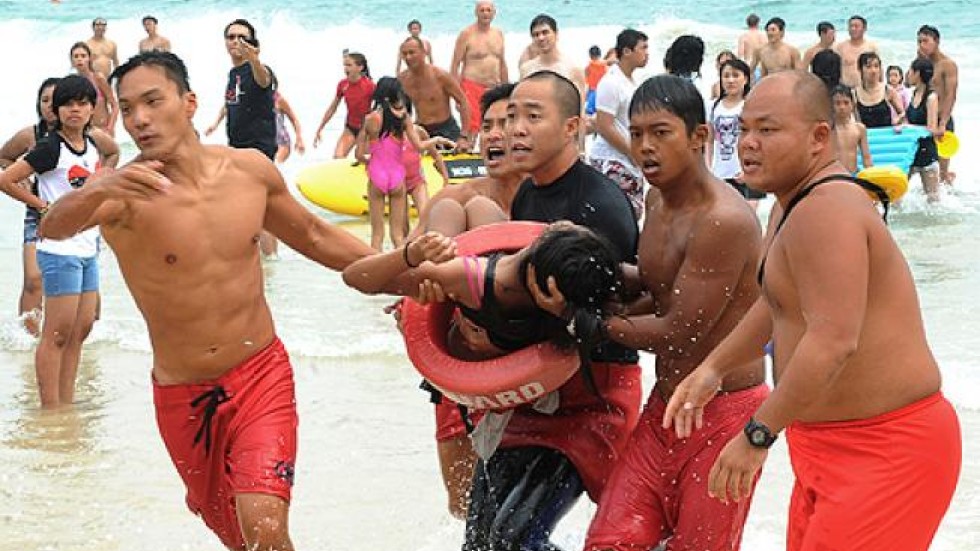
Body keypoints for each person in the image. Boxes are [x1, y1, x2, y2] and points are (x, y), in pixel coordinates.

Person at [39, 50, 393, 551]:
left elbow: (316, 237)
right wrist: (102, 187)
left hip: (260, 375)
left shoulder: (249, 172)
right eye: (127, 108)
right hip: (184, 398)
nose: (139, 118)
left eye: (152, 101)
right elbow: (54, 227)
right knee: (237, 535)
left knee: (265, 525)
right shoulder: (120, 194)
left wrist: (401, 273)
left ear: (189, 103)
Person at [664, 71, 960, 551]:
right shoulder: (790, 203)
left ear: (819, 137)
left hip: (887, 448)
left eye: (768, 130)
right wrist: (713, 368)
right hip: (822, 445)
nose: (749, 144)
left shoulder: (829, 208)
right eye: (744, 130)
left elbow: (833, 340)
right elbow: (777, 301)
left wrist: (757, 434)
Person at [581, 73, 768, 551]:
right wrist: (587, 275)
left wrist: (592, 326)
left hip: (724, 413)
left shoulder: (722, 220)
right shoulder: (655, 198)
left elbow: (678, 330)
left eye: (660, 133)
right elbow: (656, 287)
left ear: (699, 136)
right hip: (665, 405)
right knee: (608, 541)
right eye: (637, 133)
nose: (644, 147)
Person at [463, 70, 642, 551]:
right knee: (479, 540)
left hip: (592, 395)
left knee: (511, 541)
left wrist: (553, 320)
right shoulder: (527, 194)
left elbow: (618, 320)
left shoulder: (600, 206)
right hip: (531, 391)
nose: (514, 128)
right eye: (511, 115)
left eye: (532, 116)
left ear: (571, 128)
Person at [406, 83, 521, 519]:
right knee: (463, 505)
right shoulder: (454, 198)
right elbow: (409, 264)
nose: (494, 134)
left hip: (528, 368)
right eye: (486, 125)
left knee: (515, 507)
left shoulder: (547, 201)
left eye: (507, 124)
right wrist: (410, 295)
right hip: (458, 369)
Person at [344, 222, 624, 367]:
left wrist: (411, 254)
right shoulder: (569, 299)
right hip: (489, 353)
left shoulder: (470, 277)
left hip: (480, 329)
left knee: (463, 206)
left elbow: (356, 277)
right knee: (474, 207)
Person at [0, 75, 119, 409]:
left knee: (81, 329)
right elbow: (6, 179)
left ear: (93, 108)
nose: (75, 110)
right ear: (57, 110)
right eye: (68, 104)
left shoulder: (94, 144)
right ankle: (51, 408)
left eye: (82, 103)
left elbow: (114, 153)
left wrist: (102, 185)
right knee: (57, 333)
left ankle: (67, 401)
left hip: (87, 246)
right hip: (59, 248)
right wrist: (42, 206)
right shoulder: (51, 146)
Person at [357, 77, 454, 251]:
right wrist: (437, 139)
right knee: (398, 235)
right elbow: (420, 146)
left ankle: (376, 273)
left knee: (377, 235)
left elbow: (358, 154)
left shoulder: (370, 119)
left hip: (377, 176)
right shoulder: (403, 118)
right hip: (397, 177)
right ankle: (403, 272)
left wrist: (370, 161)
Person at [0, 77, 61, 337]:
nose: (49, 106)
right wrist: (17, 176)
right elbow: (3, 156)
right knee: (34, 280)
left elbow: (111, 150)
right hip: (37, 212)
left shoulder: (85, 136)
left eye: (54, 100)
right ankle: (28, 339)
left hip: (76, 214)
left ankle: (84, 333)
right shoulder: (31, 135)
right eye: (44, 100)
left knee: (79, 280)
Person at [221, 20, 279, 258]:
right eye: (231, 37)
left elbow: (264, 81)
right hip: (237, 147)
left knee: (261, 208)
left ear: (253, 43)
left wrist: (254, 59)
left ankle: (271, 261)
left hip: (258, 148)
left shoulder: (257, 69)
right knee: (246, 207)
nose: (236, 42)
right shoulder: (233, 73)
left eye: (241, 37)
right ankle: (260, 258)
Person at [588, 28, 649, 219]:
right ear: (627, 51)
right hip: (612, 159)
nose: (647, 53)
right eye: (643, 48)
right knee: (618, 216)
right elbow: (604, 125)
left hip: (628, 160)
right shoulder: (611, 82)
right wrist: (633, 152)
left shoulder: (630, 81)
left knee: (633, 214)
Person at [399, 37, 473, 151]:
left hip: (446, 129)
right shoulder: (402, 79)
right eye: (404, 54)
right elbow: (398, 109)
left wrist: (464, 136)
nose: (408, 57)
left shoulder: (440, 76)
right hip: (421, 130)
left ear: (423, 53)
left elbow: (463, 102)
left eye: (412, 53)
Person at [709, 59, 766, 207]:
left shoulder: (751, 106)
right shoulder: (713, 107)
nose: (730, 80)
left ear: (745, 79)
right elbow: (709, 141)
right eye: (726, 76)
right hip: (720, 173)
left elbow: (761, 140)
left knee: (750, 218)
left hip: (748, 171)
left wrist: (751, 168)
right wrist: (708, 168)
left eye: (735, 75)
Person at [450, 0, 508, 137]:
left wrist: (506, 90)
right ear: (476, 12)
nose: (485, 13)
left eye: (488, 10)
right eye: (482, 10)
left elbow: (502, 63)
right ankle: (468, 152)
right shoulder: (466, 34)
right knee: (472, 128)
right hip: (471, 86)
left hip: (494, 87)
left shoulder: (498, 34)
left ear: (494, 13)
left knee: (495, 126)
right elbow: (455, 65)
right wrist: (457, 96)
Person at [313, 52, 375, 159]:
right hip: (350, 128)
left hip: (366, 131)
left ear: (360, 67)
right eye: (344, 65)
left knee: (364, 159)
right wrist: (320, 128)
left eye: (349, 65)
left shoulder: (370, 86)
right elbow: (332, 108)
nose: (346, 68)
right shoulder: (343, 85)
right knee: (337, 157)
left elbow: (380, 108)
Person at [917, 25, 958, 186]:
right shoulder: (922, 64)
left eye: (925, 41)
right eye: (919, 41)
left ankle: (948, 203)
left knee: (942, 170)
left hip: (942, 120)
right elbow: (907, 82)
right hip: (925, 121)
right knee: (925, 167)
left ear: (937, 41)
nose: (921, 45)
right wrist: (918, 60)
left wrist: (942, 123)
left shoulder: (947, 64)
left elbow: (951, 95)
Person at [518, 14, 586, 96]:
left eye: (545, 32)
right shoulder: (526, 69)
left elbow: (580, 106)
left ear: (556, 34)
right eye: (536, 35)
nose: (541, 38)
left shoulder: (573, 69)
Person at [905, 58, 942, 202]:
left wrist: (908, 128)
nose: (908, 74)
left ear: (918, 74)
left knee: (933, 201)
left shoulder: (931, 97)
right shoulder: (913, 94)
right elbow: (911, 118)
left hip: (926, 152)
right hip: (910, 151)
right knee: (897, 198)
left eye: (911, 71)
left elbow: (931, 128)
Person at [70, 42, 118, 137]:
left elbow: (115, 106)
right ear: (72, 60)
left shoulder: (98, 78)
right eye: (76, 56)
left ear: (89, 58)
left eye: (83, 56)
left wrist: (110, 128)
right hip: (84, 133)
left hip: (103, 129)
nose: (80, 59)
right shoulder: (72, 83)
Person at [855, 52, 905, 128]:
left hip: (885, 135)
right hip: (865, 136)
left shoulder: (888, 90)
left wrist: (897, 120)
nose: (873, 71)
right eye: (868, 67)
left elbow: (902, 113)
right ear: (860, 69)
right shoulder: (854, 94)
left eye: (876, 66)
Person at [830, 85, 871, 174]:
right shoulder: (829, 130)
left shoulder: (860, 129)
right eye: (837, 103)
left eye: (846, 102)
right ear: (831, 106)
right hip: (835, 176)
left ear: (852, 105)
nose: (842, 107)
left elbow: (866, 158)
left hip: (854, 174)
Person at [834, 15, 877, 88]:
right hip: (846, 89)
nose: (853, 29)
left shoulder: (871, 47)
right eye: (851, 26)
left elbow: (878, 70)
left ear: (864, 29)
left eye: (856, 26)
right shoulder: (840, 47)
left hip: (865, 89)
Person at [273, 92, 305, 164]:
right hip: (265, 141)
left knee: (275, 165)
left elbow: (294, 120)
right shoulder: (252, 99)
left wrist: (299, 139)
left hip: (282, 142)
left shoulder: (278, 99)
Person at [584, 45, 607, 116]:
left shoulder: (588, 67)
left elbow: (586, 83)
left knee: (588, 113)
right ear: (599, 55)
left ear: (590, 55)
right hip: (603, 92)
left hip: (592, 91)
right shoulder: (605, 67)